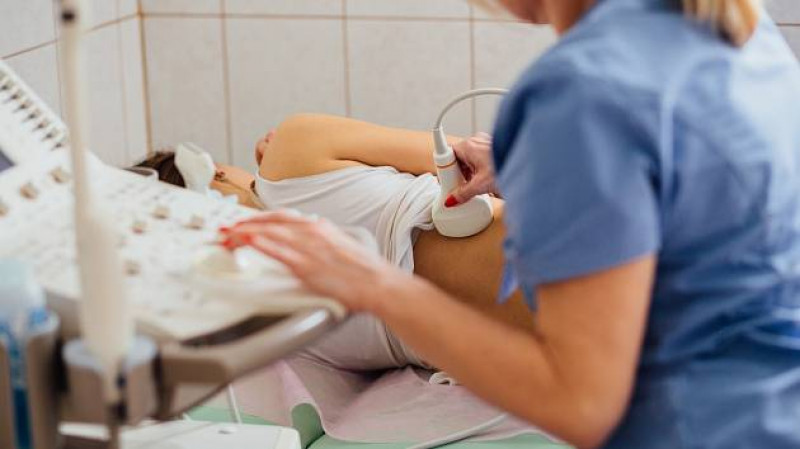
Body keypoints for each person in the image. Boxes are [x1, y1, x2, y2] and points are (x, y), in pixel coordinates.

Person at [222, 0, 800, 448]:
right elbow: (705, 204)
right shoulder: (740, 29)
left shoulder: (581, 91)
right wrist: (554, 170)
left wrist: (375, 285)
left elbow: (582, 404)